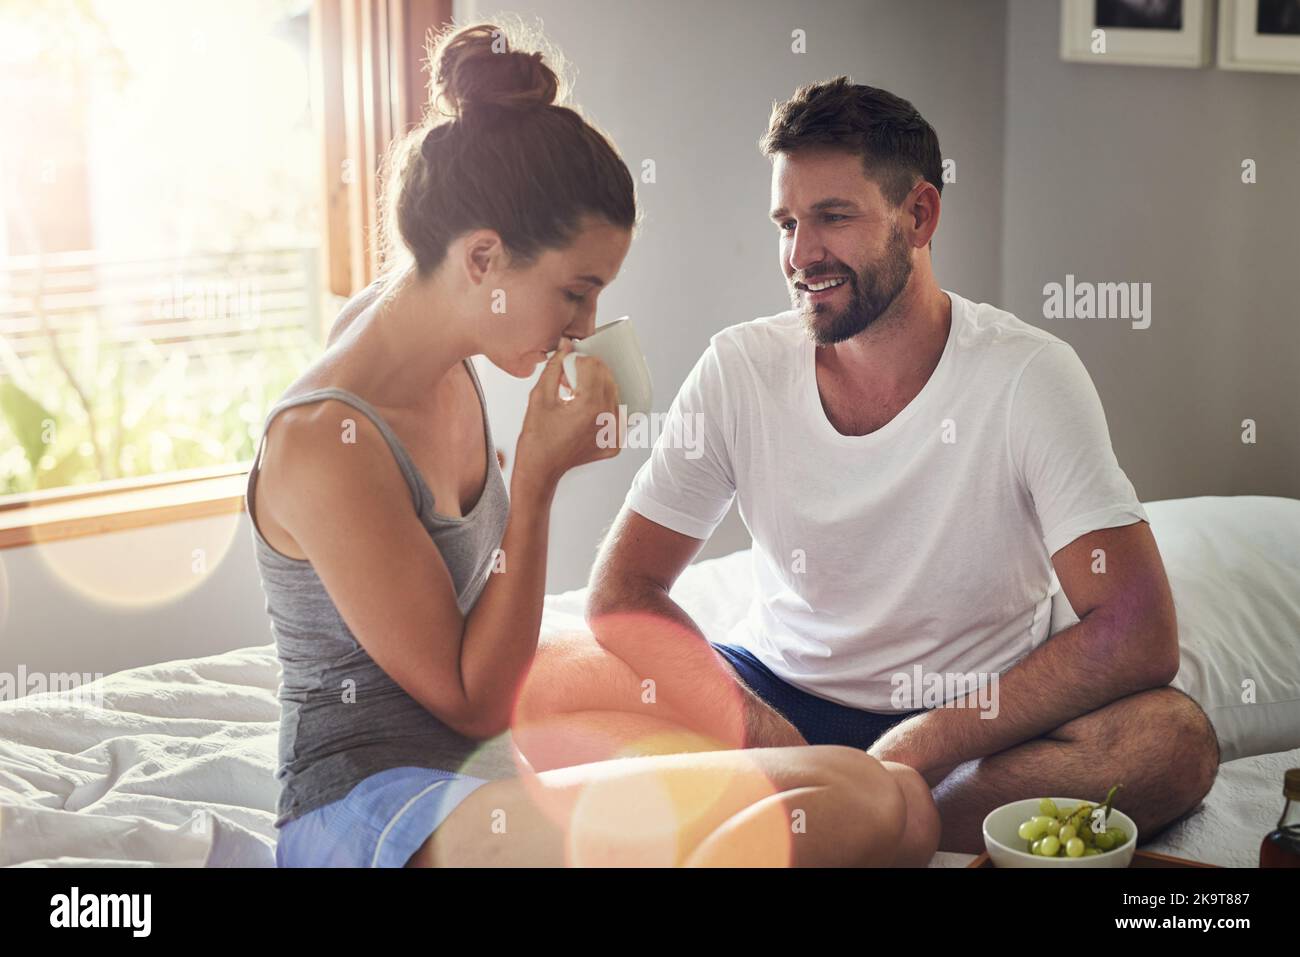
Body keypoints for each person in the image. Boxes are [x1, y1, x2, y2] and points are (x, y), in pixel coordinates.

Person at [247, 22, 939, 868]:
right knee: (866, 797)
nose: (584, 326)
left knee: (900, 802)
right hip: (376, 813)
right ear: (483, 259)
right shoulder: (328, 442)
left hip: (481, 780)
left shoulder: (422, 329)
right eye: (575, 292)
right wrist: (535, 482)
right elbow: (472, 701)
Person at [545, 77, 1221, 854]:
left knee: (1172, 740)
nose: (801, 255)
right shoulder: (740, 367)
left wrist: (920, 744)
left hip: (971, 727)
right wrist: (794, 749)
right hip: (779, 702)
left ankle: (849, 809)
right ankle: (848, 805)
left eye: (832, 217)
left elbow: (1138, 629)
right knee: (560, 668)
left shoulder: (1030, 377)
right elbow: (624, 592)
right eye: (787, 223)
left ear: (920, 214)